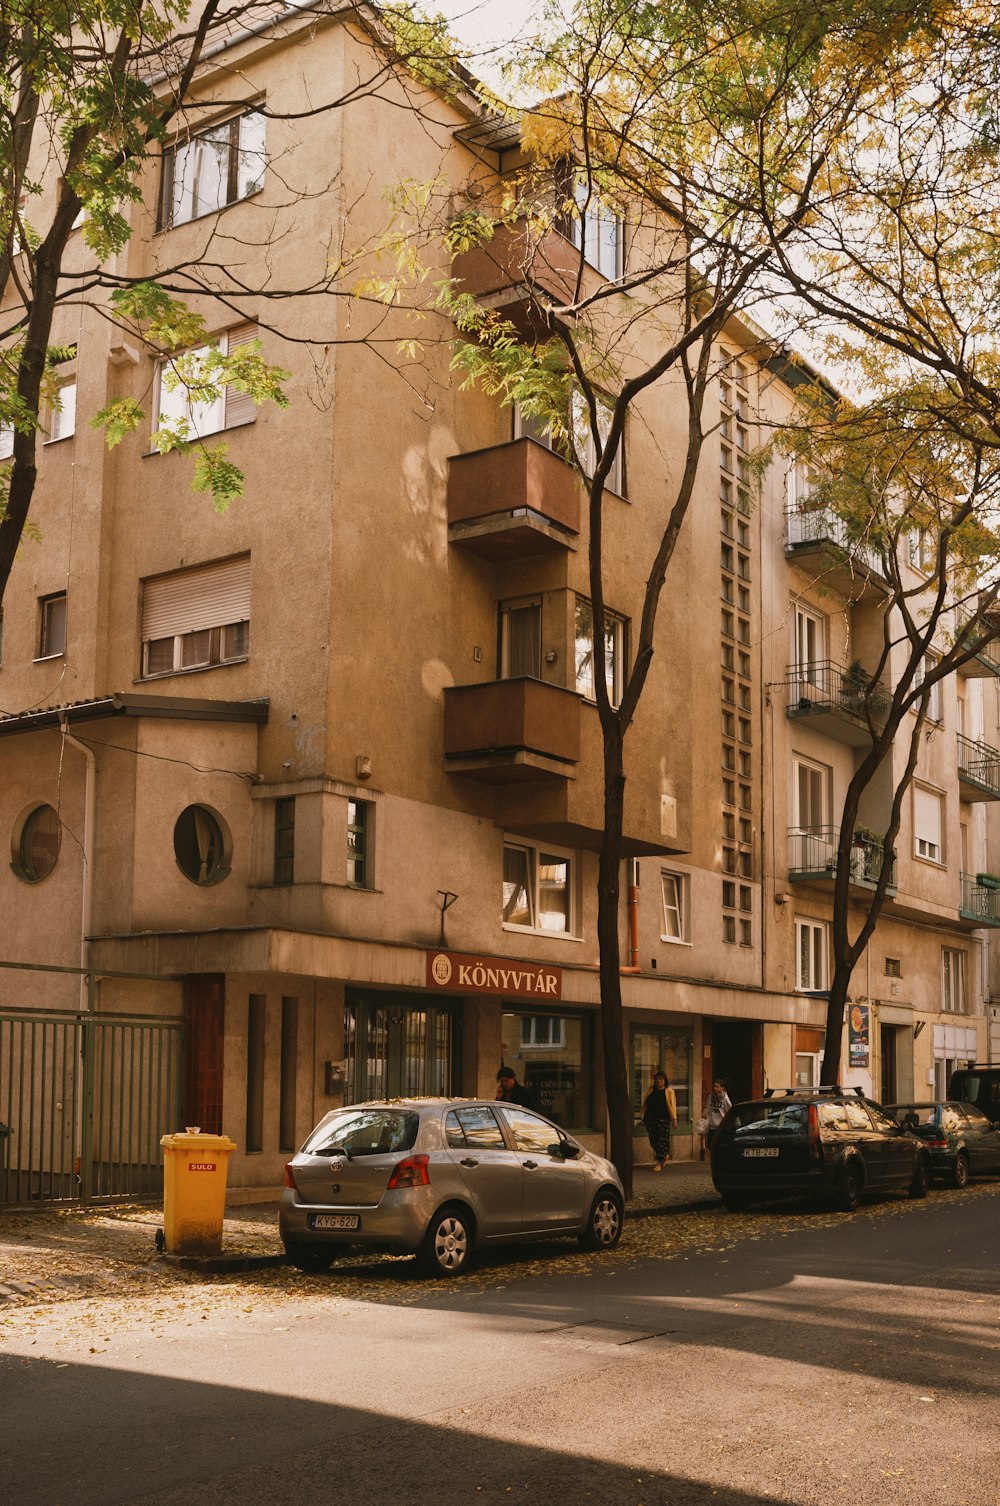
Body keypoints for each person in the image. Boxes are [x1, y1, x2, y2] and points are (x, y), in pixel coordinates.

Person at [641, 1070, 678, 1170]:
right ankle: (664, 1155)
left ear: (665, 1080)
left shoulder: (669, 1091)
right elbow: (645, 1101)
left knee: (662, 1140)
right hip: (650, 1118)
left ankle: (659, 1162)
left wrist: (674, 1119)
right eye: (657, 1079)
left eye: (661, 1079)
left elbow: (672, 1105)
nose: (658, 1081)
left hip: (663, 1118)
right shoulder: (651, 1090)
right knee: (653, 1140)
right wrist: (642, 1114)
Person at [701, 1079, 733, 1158]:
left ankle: (719, 1158)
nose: (715, 1088)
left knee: (718, 1144)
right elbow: (707, 1106)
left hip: (720, 1125)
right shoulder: (711, 1096)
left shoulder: (725, 1098)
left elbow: (729, 1110)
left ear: (722, 1088)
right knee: (709, 1144)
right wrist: (705, 1114)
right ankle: (714, 1157)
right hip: (712, 1125)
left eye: (717, 1086)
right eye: (714, 1086)